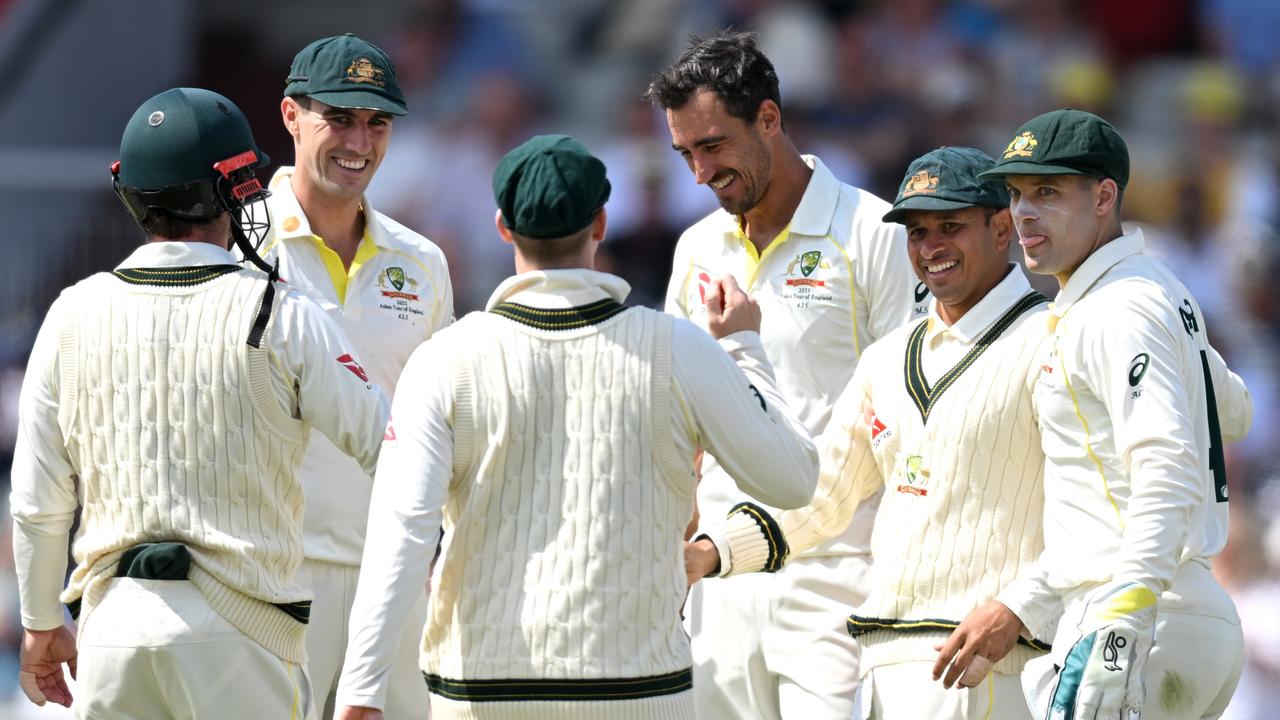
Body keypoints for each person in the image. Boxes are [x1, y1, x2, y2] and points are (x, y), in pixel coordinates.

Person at [332, 134, 819, 719]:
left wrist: (362, 689)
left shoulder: (444, 359)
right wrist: (743, 345)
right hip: (638, 695)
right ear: (602, 223)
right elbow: (793, 479)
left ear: (502, 228)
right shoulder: (677, 348)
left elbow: (403, 531)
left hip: (482, 696)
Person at [10, 87, 388, 718]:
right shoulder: (282, 311)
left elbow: (36, 501)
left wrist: (41, 621)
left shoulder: (72, 311)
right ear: (235, 189)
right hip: (243, 630)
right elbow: (390, 447)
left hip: (112, 629)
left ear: (129, 192)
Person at [688, 146, 1055, 719]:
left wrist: (1020, 606)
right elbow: (821, 496)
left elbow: (1097, 513)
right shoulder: (887, 361)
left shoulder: (1054, 340)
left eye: (951, 226)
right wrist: (710, 552)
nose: (931, 248)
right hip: (888, 669)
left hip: (999, 666)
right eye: (916, 232)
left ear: (1002, 226)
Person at [645, 30, 926, 719]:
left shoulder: (874, 233)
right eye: (684, 153)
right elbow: (678, 422)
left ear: (768, 118)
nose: (699, 174)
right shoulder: (696, 246)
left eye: (713, 147)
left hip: (838, 581)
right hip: (718, 580)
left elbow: (913, 421)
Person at [967, 108, 1253, 720]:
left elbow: (1169, 467)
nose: (1023, 212)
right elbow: (1236, 410)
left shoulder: (1119, 306)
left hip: (1137, 618)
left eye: (1047, 190)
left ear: (1104, 197)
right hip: (1183, 615)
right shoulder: (1154, 289)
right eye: (1016, 194)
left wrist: (1122, 624)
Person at [261, 32, 453, 720]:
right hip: (271, 572)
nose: (360, 142)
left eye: (377, 122)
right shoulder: (238, 241)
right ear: (290, 115)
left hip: (395, 573)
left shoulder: (421, 259)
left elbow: (440, 422)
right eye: (338, 118)